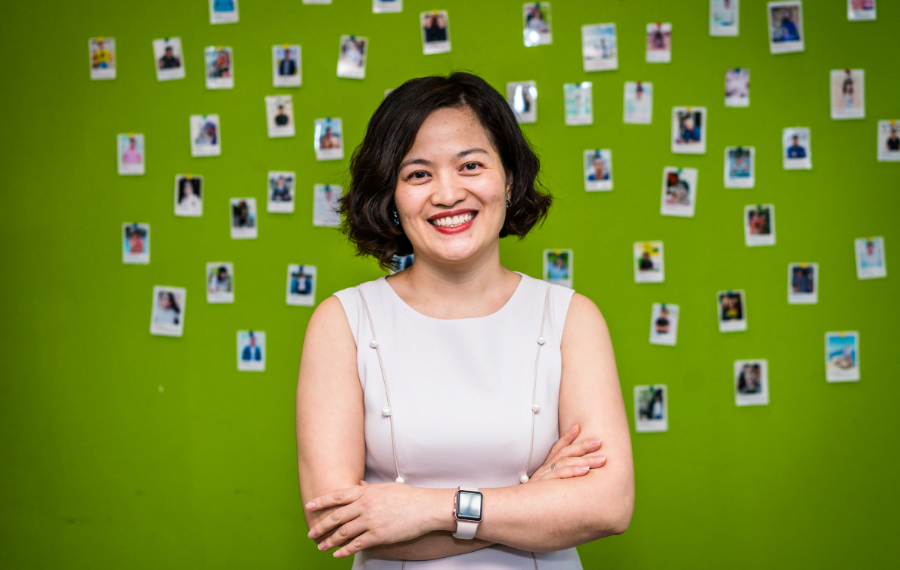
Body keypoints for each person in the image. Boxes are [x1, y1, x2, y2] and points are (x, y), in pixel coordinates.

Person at [297, 72, 633, 568]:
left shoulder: (571, 318)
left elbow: (606, 506)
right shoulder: (342, 322)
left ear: (509, 178)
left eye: (470, 165)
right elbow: (342, 523)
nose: (448, 193)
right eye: (418, 174)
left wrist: (430, 508)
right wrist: (530, 505)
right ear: (392, 198)